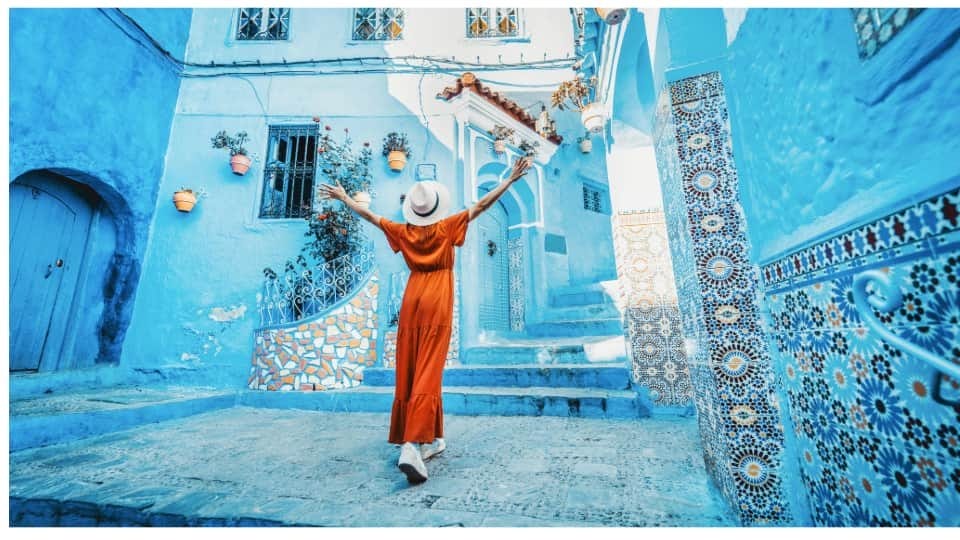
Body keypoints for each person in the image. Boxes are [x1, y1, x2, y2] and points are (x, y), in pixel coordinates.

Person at [319, 156, 531, 484]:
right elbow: (484, 204)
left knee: (410, 367)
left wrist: (346, 199)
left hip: (412, 296)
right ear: (436, 207)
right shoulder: (446, 227)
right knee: (430, 371)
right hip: (437, 297)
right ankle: (411, 444)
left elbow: (371, 216)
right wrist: (510, 180)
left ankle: (430, 437)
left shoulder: (402, 231)